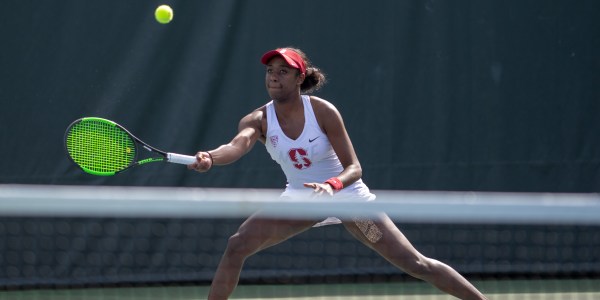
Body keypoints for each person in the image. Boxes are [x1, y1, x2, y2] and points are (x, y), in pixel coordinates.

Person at [189, 47, 487, 300]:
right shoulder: (258, 119)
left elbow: (355, 168)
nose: (274, 77)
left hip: (347, 199)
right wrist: (211, 158)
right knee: (237, 245)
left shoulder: (323, 112)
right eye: (270, 71)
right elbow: (236, 146)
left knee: (416, 264)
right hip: (301, 200)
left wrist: (332, 186)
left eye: (283, 71)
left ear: (299, 77)